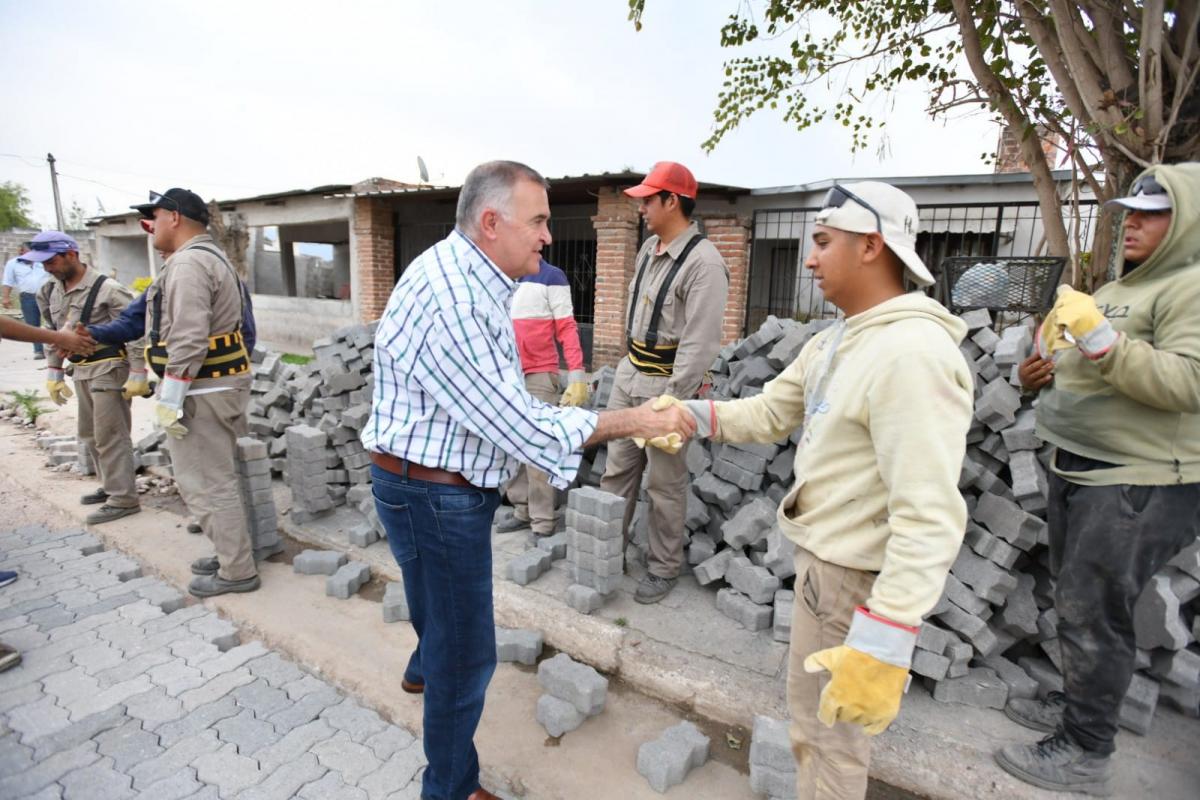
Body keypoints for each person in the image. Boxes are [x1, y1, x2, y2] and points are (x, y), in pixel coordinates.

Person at [361, 160, 695, 800]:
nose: (547, 236)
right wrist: (633, 420)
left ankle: (420, 671)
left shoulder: (464, 272)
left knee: (433, 606)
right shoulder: (455, 298)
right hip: (436, 492)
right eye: (538, 220)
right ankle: (451, 786)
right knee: (468, 655)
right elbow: (520, 428)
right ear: (491, 222)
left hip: (413, 479)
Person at [665, 182, 973, 799]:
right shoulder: (837, 338)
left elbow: (930, 514)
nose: (810, 258)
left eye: (823, 243)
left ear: (871, 246)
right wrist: (687, 416)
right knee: (811, 732)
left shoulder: (910, 354)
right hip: (819, 571)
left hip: (855, 585)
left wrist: (884, 644)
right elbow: (769, 412)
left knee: (832, 745)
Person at [998, 164, 1200, 795]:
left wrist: (1099, 336)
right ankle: (1078, 707)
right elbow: (1088, 361)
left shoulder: (1191, 286)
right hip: (1080, 465)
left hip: (1135, 479)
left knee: (1096, 609)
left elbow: (1188, 381)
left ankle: (1087, 751)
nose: (1132, 221)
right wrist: (1042, 372)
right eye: (1129, 210)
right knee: (1077, 598)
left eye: (1152, 211)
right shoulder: (1126, 287)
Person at [599, 161, 730, 604]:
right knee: (617, 470)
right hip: (629, 376)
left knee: (664, 484)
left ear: (672, 201)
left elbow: (700, 342)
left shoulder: (704, 264)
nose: (641, 207)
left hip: (666, 387)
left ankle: (662, 567)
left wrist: (673, 402)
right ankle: (606, 551)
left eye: (648, 199)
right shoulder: (648, 249)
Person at [132, 188, 258, 598]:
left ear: (174, 217)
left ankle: (237, 570)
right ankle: (230, 554)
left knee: (205, 482)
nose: (150, 226)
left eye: (154, 216)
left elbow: (187, 336)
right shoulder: (210, 257)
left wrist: (171, 395)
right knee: (214, 477)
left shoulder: (189, 264)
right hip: (212, 387)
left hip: (201, 391)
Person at [30, 231, 143, 526]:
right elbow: (50, 329)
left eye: (51, 261)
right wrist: (54, 371)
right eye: (42, 263)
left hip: (109, 367)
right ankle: (110, 485)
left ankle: (124, 499)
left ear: (71, 254)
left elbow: (134, 330)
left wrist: (138, 371)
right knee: (90, 434)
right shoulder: (49, 290)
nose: (47, 267)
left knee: (111, 434)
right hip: (80, 369)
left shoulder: (108, 289)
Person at [496, 256, 589, 536]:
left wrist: (576, 374)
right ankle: (522, 509)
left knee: (537, 448)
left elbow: (566, 327)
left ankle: (542, 521)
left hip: (539, 373)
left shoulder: (552, 276)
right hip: (508, 373)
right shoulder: (503, 276)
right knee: (513, 445)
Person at [3, 243, 50, 358]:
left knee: (53, 321)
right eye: (20, 251)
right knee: (33, 325)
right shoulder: (12, 264)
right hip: (28, 297)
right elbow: (7, 282)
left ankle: (58, 346)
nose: (20, 253)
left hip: (47, 296)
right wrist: (5, 297)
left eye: (23, 251)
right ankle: (38, 350)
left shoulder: (43, 261)